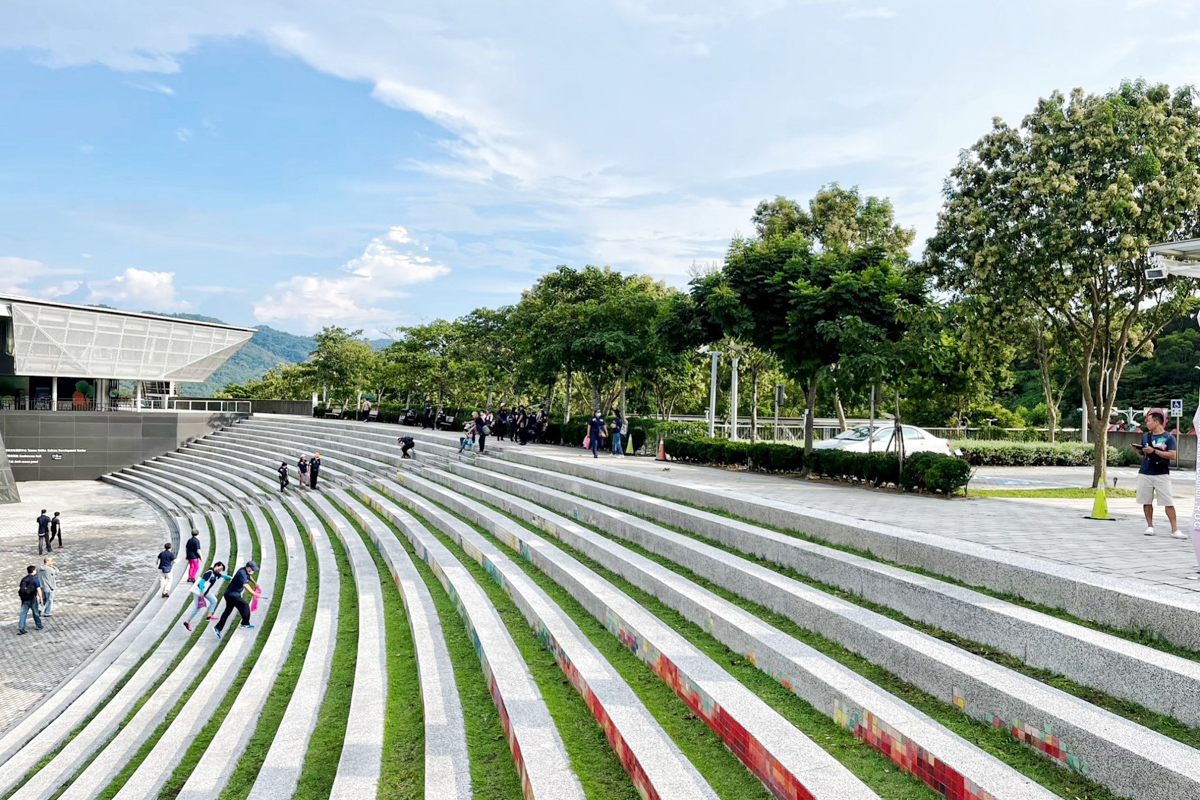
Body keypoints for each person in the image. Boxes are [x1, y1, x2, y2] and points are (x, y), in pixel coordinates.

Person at [1135, 410, 1185, 539]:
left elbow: (1173, 455)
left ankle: (1175, 529)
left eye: (1149, 421)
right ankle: (1150, 526)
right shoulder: (1146, 436)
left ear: (1157, 422)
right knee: (1146, 500)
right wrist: (1140, 451)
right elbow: (1145, 453)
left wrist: (1154, 451)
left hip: (1161, 473)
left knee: (1168, 501)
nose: (1147, 423)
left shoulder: (1169, 437)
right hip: (1145, 472)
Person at [215, 560, 259, 639]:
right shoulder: (241, 573)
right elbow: (245, 585)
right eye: (252, 569)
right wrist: (254, 593)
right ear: (248, 568)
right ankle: (245, 623)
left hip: (229, 594)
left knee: (227, 611)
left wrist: (255, 583)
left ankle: (218, 628)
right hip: (233, 595)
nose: (253, 571)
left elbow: (249, 577)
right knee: (245, 605)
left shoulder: (245, 571)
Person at [184, 562, 229, 631]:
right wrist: (201, 591)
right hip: (199, 591)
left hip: (206, 592)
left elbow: (223, 576)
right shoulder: (210, 572)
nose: (220, 570)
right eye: (220, 568)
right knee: (197, 608)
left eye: (221, 570)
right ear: (216, 566)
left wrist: (231, 577)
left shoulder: (216, 574)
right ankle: (187, 621)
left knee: (214, 600)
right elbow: (202, 582)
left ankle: (209, 615)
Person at [17, 566, 43, 635]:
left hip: (24, 599)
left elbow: (21, 589)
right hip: (32, 598)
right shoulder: (35, 579)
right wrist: (41, 598)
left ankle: (21, 628)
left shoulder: (24, 579)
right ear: (33, 571)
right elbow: (38, 589)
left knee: (23, 613)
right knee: (35, 612)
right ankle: (39, 624)